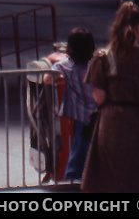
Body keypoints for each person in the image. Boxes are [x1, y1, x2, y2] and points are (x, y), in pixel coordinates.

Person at [82, 1, 139, 193]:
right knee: (137, 178)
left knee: (109, 177)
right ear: (138, 27)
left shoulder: (104, 57)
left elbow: (99, 98)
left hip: (112, 123)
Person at [52, 28, 98, 182]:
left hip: (82, 118)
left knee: (79, 153)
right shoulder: (99, 62)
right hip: (102, 115)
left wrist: (59, 78)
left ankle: (72, 184)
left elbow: (47, 78)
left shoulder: (65, 66)